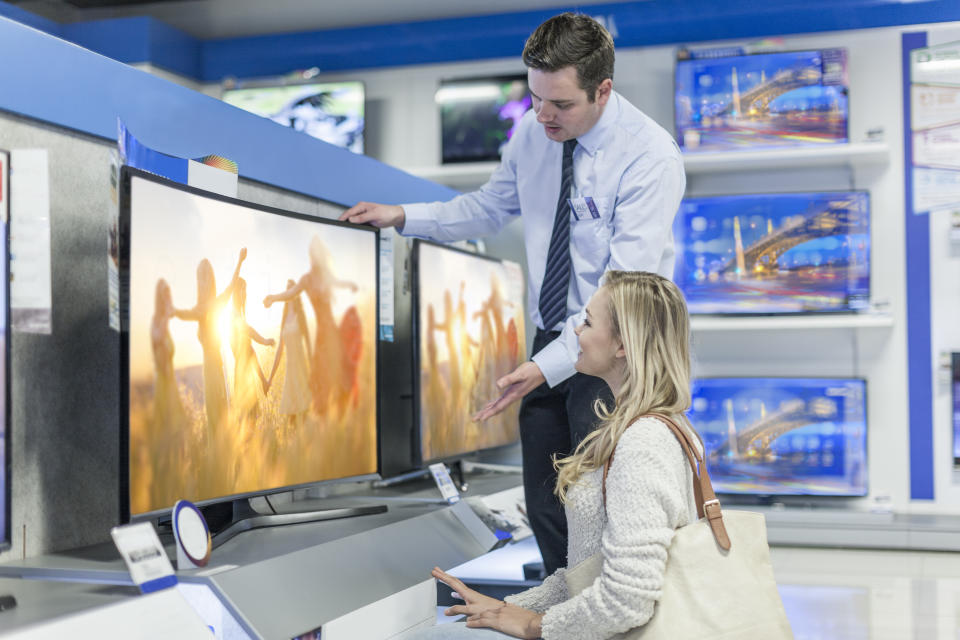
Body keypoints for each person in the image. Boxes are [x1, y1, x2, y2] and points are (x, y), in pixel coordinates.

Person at [341, 12, 685, 573]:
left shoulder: (649, 156)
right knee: (549, 502)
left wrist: (542, 368)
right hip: (554, 335)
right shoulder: (534, 133)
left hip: (618, 350)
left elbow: (623, 292)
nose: (543, 115)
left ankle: (609, 625)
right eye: (535, 98)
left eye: (562, 104)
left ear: (603, 90)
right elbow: (488, 207)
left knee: (601, 511)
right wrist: (403, 215)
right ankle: (557, 617)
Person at [411, 271, 700, 639]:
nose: (576, 331)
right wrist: (508, 608)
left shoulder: (641, 444)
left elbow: (627, 599)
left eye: (588, 322)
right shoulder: (638, 429)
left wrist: (534, 625)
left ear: (622, 345)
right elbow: (589, 570)